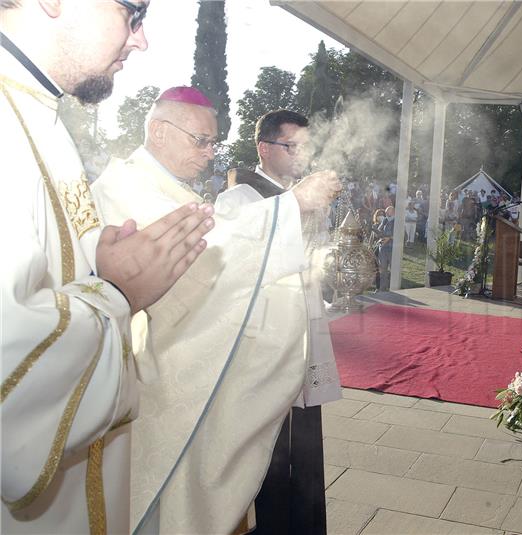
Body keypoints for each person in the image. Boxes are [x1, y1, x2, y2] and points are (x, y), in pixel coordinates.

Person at [1, 4, 216, 534]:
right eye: (132, 11)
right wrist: (114, 290)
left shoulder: (37, 112)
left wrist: (96, 255)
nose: (140, 40)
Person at [91, 88, 341, 534]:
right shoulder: (125, 186)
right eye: (200, 140)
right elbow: (201, 261)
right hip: (146, 373)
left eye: (213, 143)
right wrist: (292, 206)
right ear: (159, 131)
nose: (210, 154)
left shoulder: (165, 186)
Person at [247, 108, 342, 535]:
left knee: (303, 452)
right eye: (293, 146)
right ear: (265, 148)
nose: (302, 154)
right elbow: (248, 258)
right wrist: (297, 203)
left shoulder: (292, 194)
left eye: (306, 146)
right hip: (264, 350)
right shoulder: (242, 197)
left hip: (301, 338)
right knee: (269, 460)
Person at [376, 205, 395, 291]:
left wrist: (390, 238)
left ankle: (393, 288)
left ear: (393, 212)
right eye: (386, 211)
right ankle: (382, 288)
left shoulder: (397, 221)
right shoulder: (384, 220)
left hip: (392, 249)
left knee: (393, 269)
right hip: (382, 248)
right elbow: (379, 230)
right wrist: (378, 235)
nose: (386, 213)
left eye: (388, 211)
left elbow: (403, 236)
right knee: (382, 270)